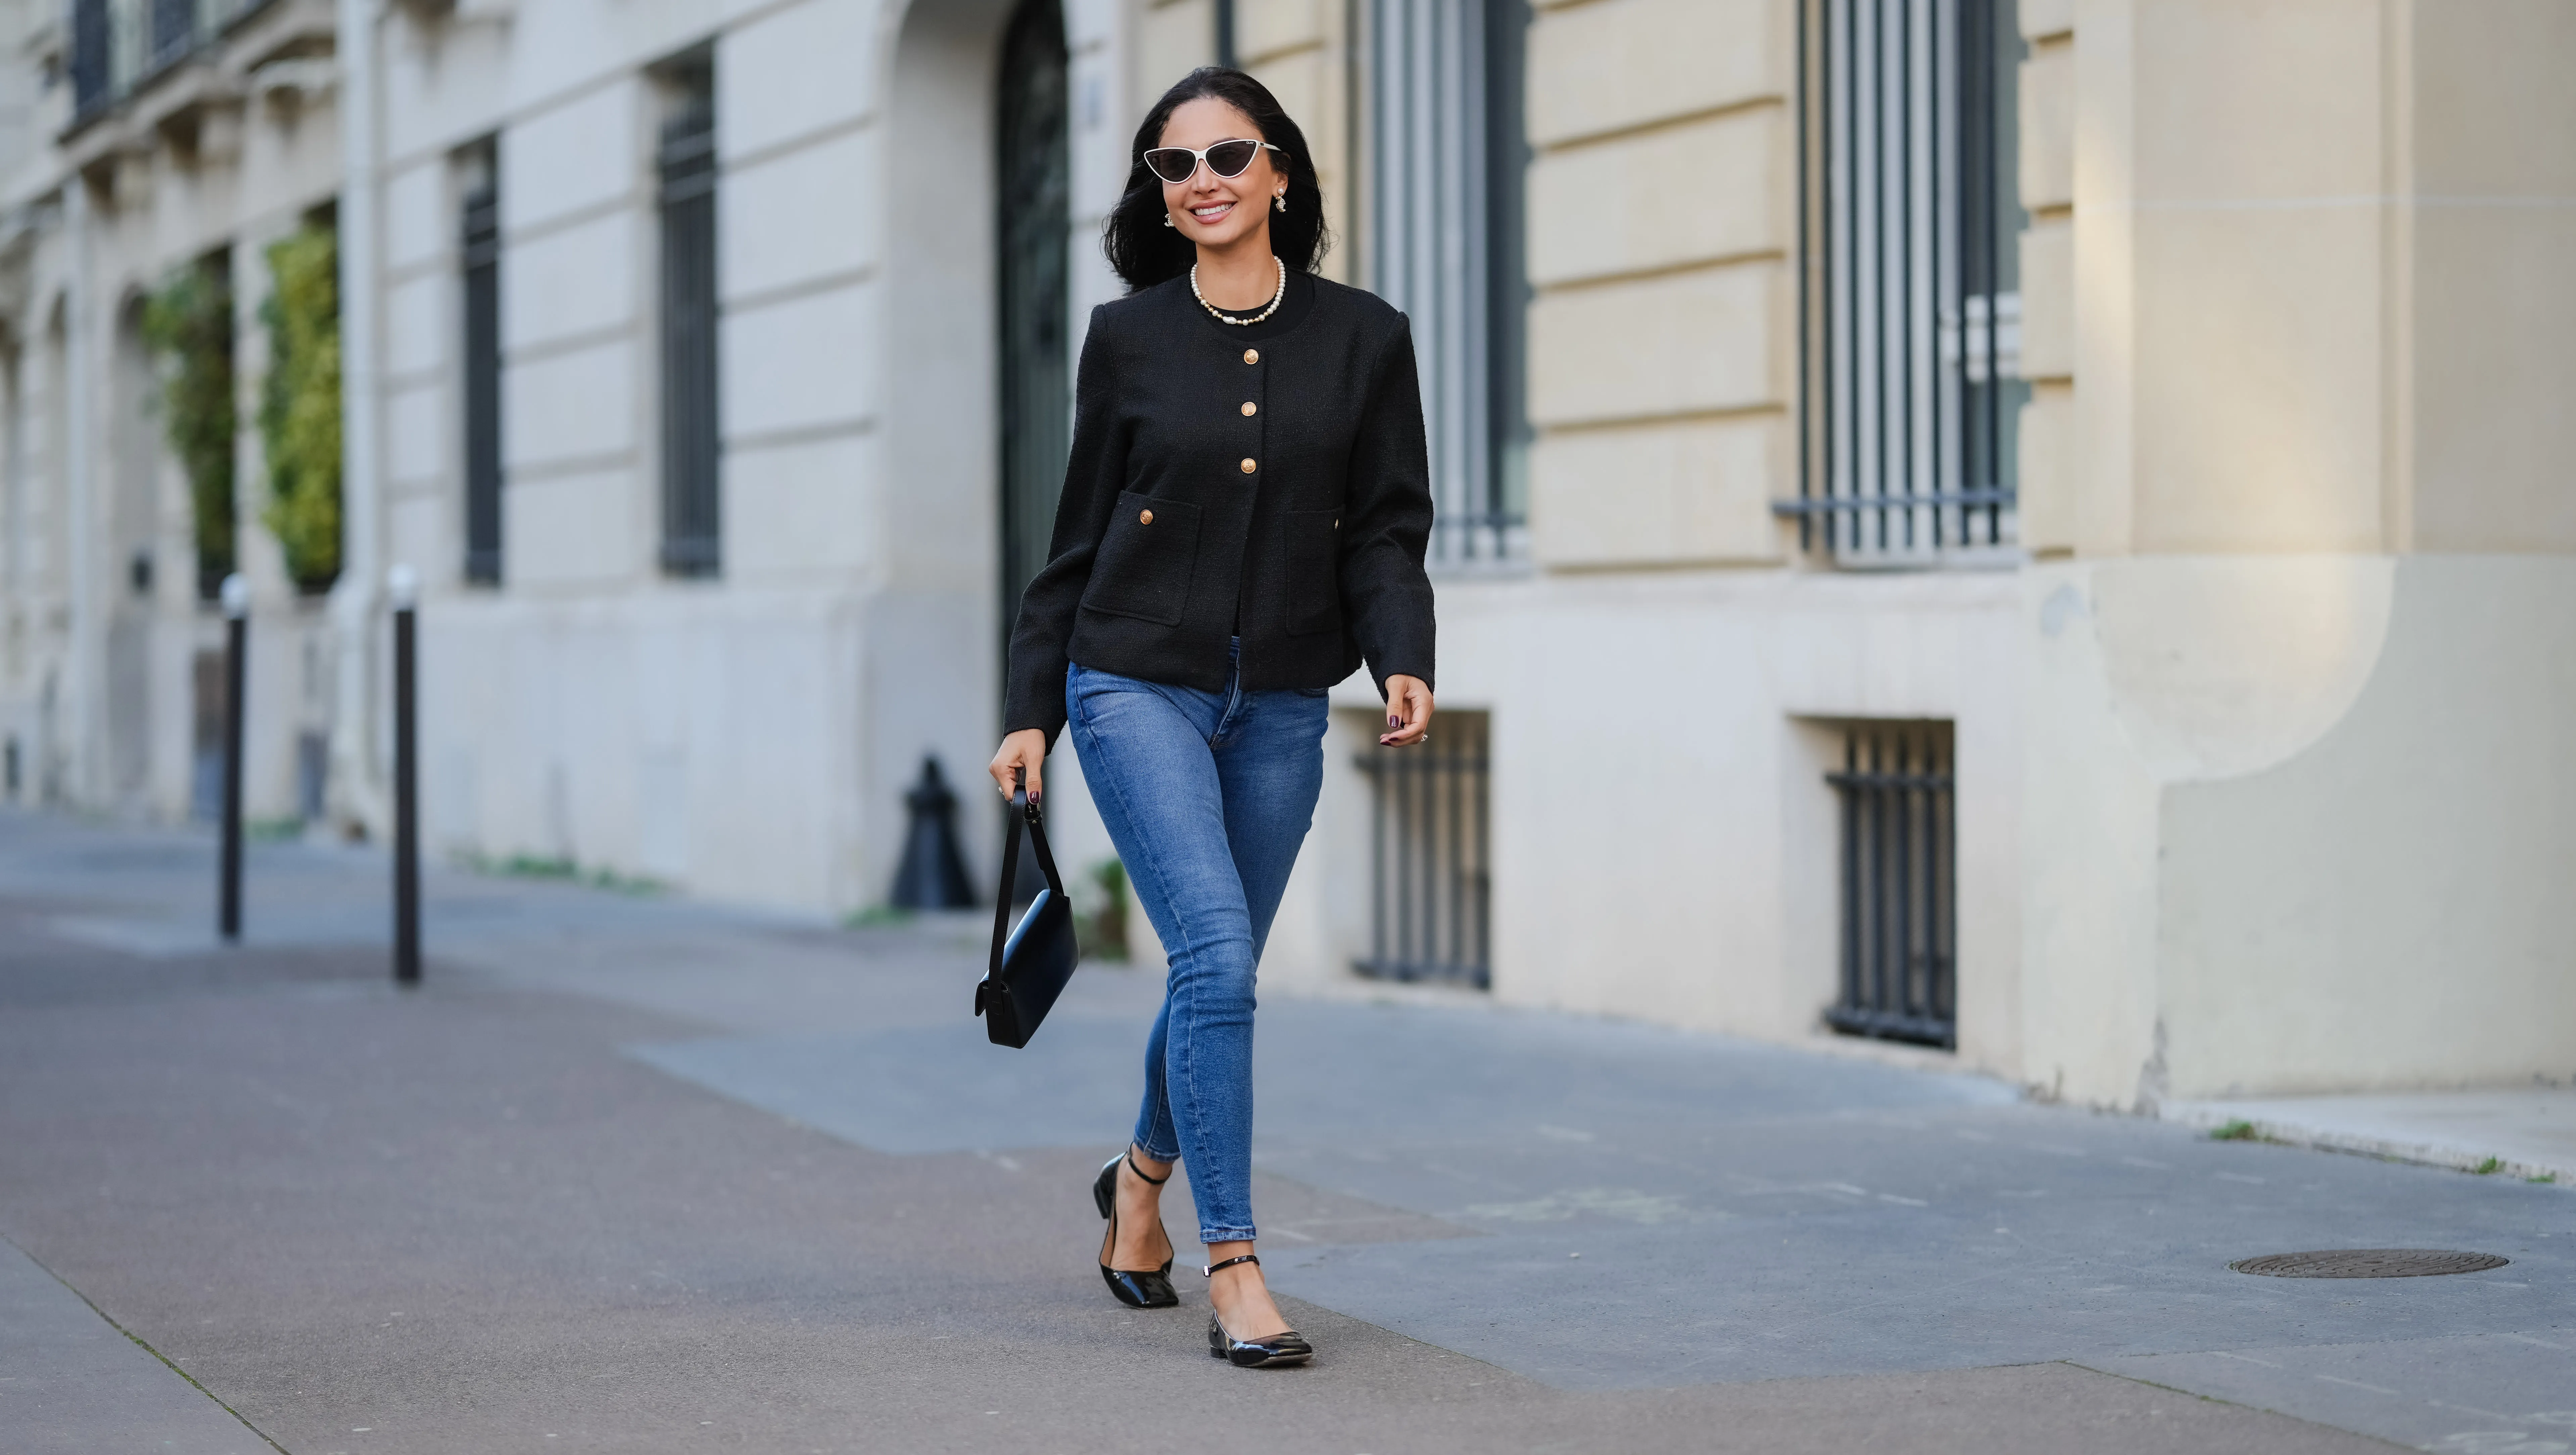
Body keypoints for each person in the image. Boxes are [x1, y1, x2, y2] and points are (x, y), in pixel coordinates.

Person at [988, 66, 1435, 1370]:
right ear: (1158, 193)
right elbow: (1072, 542)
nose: (1203, 182)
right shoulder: (1128, 340)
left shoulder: (1366, 337)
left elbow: (1388, 526)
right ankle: (1233, 1258)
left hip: (1288, 700)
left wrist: (1400, 653)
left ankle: (1134, 1185)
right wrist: (1033, 706)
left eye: (1229, 156)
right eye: (1174, 165)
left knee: (1209, 969)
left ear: (1281, 173)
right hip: (1134, 682)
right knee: (1219, 965)